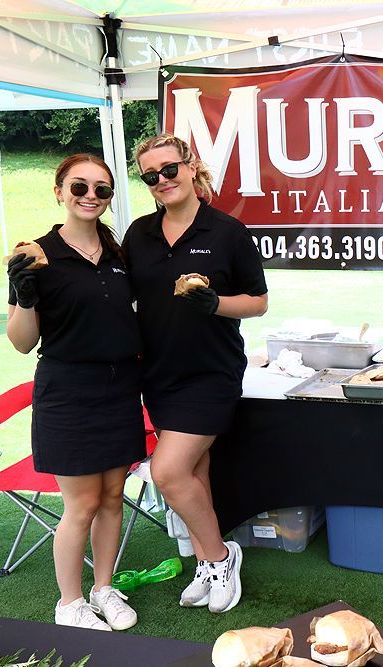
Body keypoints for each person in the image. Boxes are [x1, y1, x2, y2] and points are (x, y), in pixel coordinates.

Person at [123, 133, 268, 614]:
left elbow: (259, 302)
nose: (162, 180)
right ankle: (207, 562)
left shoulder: (227, 232)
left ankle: (223, 557)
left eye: (170, 169)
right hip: (158, 373)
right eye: (151, 176)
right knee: (193, 471)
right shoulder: (139, 234)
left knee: (167, 472)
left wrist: (215, 303)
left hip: (211, 373)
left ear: (190, 167)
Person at [6, 154, 143, 631]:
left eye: (102, 189)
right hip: (68, 392)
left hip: (120, 388)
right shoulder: (34, 255)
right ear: (59, 191)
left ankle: (104, 588)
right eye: (79, 186)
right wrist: (25, 297)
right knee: (81, 505)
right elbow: (22, 342)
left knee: (113, 497)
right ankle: (70, 603)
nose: (90, 196)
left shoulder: (119, 254)